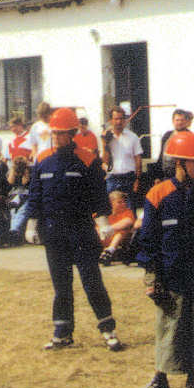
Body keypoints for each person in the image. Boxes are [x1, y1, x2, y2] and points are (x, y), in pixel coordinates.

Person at [134, 130, 194, 388]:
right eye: (193, 162)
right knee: (168, 328)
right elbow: (148, 240)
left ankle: (192, 382)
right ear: (178, 163)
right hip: (169, 276)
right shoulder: (158, 195)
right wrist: (152, 277)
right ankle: (160, 381)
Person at [29, 107, 122, 351]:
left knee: (92, 281)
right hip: (53, 232)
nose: (57, 137)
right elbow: (35, 196)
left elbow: (99, 196)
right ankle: (62, 333)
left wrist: (103, 222)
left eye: (61, 133)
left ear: (72, 133)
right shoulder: (41, 159)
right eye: (54, 133)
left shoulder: (88, 159)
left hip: (81, 230)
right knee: (61, 286)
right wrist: (32, 224)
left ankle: (108, 330)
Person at [101, 106, 143, 206]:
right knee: (114, 212)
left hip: (128, 179)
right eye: (116, 119)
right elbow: (105, 161)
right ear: (111, 120)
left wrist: (137, 180)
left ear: (124, 120)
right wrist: (105, 144)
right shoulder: (107, 137)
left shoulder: (133, 137)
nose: (119, 122)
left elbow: (138, 160)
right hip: (112, 179)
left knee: (130, 210)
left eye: (121, 118)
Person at [151, 109, 194, 182]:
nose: (180, 122)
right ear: (173, 121)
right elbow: (161, 156)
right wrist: (157, 176)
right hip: (166, 176)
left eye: (182, 120)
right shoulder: (167, 135)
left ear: (186, 121)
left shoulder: (190, 137)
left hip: (182, 178)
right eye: (177, 120)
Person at [97, 190, 135, 266]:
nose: (123, 204)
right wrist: (101, 230)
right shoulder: (105, 213)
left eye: (124, 202)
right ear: (111, 203)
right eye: (119, 202)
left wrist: (110, 228)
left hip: (120, 239)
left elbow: (128, 221)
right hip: (103, 238)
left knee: (122, 230)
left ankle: (110, 250)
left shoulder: (127, 212)